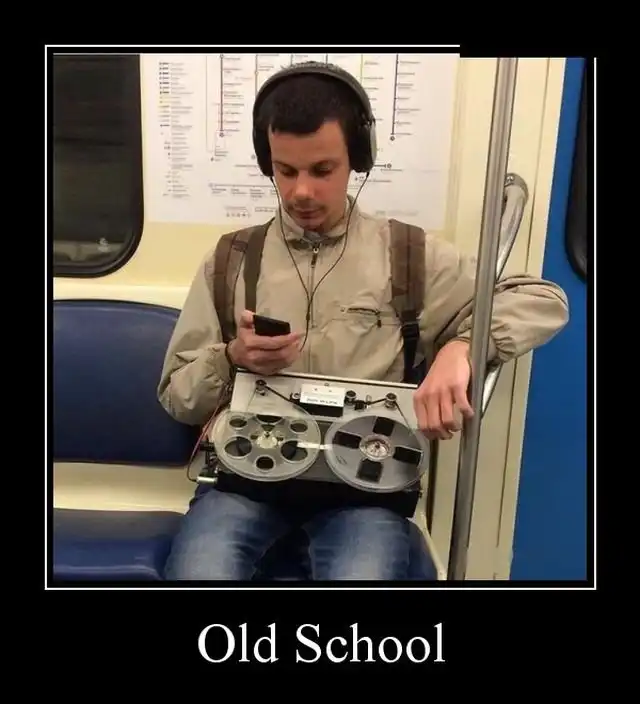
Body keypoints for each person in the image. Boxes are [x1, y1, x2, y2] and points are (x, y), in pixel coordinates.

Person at [156, 61, 569, 581]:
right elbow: (177, 396)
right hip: (247, 479)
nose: (301, 192)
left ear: (358, 159)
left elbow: (543, 299)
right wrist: (231, 358)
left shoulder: (408, 255)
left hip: (366, 489)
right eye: (286, 171)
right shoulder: (230, 261)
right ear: (267, 163)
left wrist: (462, 348)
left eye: (322, 170)